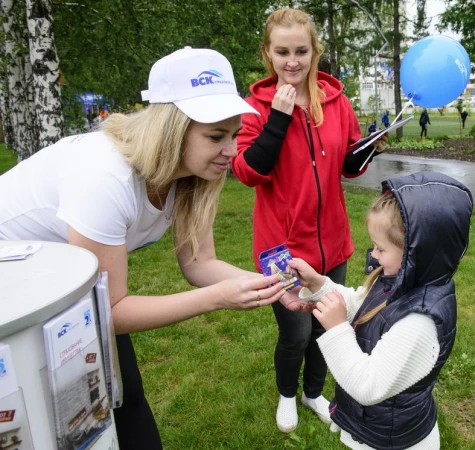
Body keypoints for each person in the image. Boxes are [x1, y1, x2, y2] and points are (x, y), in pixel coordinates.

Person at [0, 47, 290, 450]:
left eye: (235, 134)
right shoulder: (104, 174)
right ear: (170, 128)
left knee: (124, 399)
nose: (232, 150)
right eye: (215, 136)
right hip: (13, 293)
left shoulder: (195, 174)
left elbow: (199, 263)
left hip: (67, 289)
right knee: (42, 428)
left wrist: (278, 285)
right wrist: (217, 299)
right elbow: (112, 311)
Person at [230, 8, 388, 434]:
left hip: (332, 242)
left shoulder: (335, 101)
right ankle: (287, 394)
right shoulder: (256, 107)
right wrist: (278, 119)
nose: (292, 61)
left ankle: (313, 392)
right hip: (281, 248)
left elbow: (348, 167)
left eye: (301, 50)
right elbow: (247, 171)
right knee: (296, 333)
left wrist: (368, 149)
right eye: (282, 52)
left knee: (329, 324)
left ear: (314, 51)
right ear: (268, 53)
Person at [290, 171, 473, 449]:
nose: (373, 255)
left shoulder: (419, 321)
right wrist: (319, 285)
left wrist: (337, 329)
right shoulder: (398, 279)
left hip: (391, 441)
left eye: (380, 248)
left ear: (415, 252)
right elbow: (362, 307)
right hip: (374, 426)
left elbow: (367, 386)